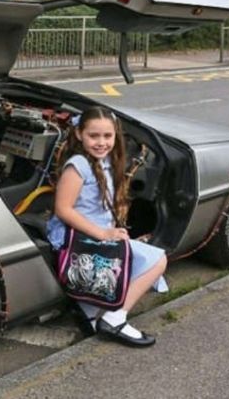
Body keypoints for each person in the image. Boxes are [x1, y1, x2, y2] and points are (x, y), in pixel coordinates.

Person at [46, 106, 168, 347]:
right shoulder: (78, 165)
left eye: (107, 136)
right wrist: (104, 233)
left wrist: (112, 229)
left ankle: (88, 311)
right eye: (94, 136)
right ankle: (115, 319)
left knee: (129, 256)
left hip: (91, 234)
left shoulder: (104, 162)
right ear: (80, 134)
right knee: (157, 260)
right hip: (77, 237)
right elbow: (63, 209)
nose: (101, 142)